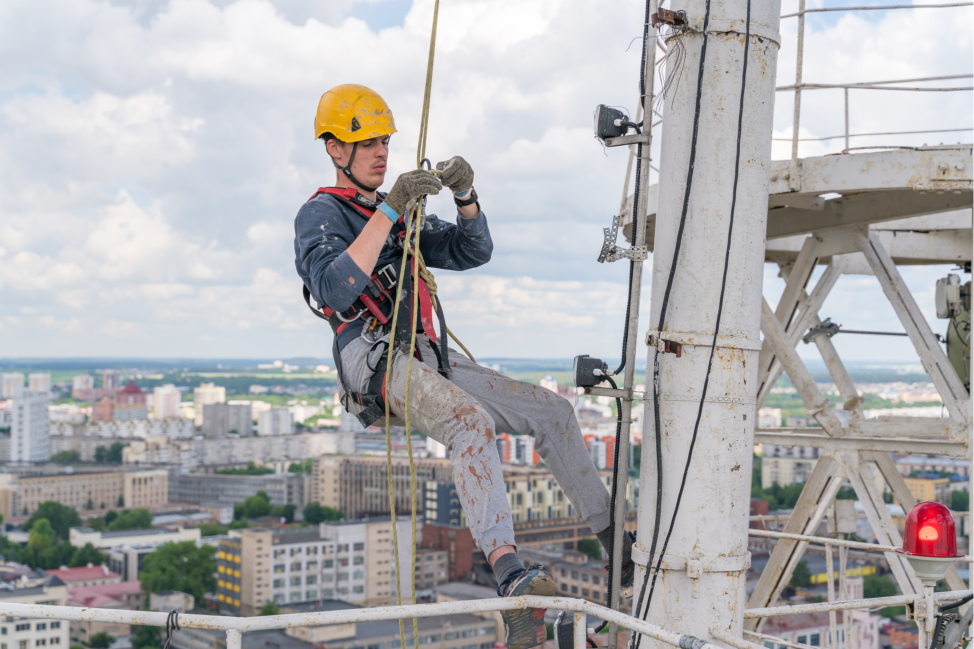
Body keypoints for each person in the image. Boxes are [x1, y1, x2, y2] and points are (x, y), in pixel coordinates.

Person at [294, 84, 635, 649]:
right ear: (335, 149)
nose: (381, 151)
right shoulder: (321, 214)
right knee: (469, 421)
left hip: (427, 355)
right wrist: (391, 208)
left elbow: (472, 251)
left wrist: (466, 193)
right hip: (376, 358)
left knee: (552, 412)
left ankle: (615, 548)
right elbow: (334, 285)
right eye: (367, 142)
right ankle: (510, 576)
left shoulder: (393, 217)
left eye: (384, 140)